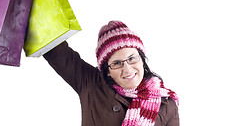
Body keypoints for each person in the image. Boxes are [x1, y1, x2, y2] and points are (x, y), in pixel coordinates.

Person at [44, 21, 179, 126]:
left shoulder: (167, 104)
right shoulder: (91, 84)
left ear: (142, 60)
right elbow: (57, 52)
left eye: (132, 58)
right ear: (107, 70)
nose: (127, 69)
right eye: (117, 63)